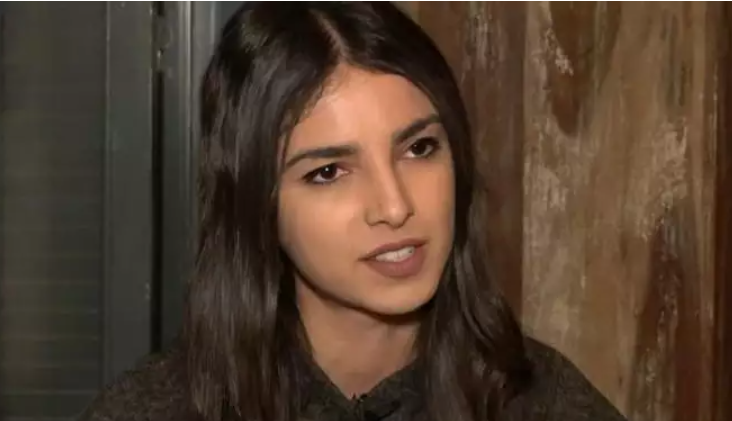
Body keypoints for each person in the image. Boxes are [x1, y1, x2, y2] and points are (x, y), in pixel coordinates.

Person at [80, 3, 627, 421]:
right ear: (257, 205)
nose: (395, 206)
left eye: (419, 148)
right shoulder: (152, 410)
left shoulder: (548, 404)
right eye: (328, 172)